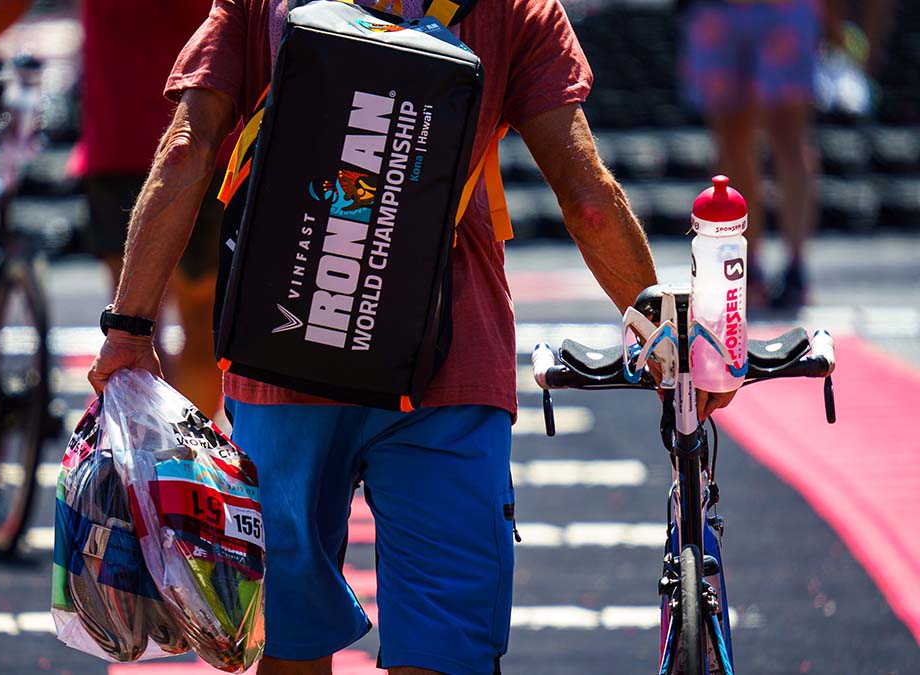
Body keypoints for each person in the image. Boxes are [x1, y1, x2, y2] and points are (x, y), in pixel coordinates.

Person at [87, 1, 738, 674]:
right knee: (442, 648)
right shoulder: (515, 10)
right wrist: (664, 334)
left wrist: (131, 327)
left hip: (283, 357)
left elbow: (187, 150)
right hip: (449, 364)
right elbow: (589, 201)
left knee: (289, 643)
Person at [0, 0, 225, 414]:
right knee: (200, 318)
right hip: (206, 130)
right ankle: (179, 458)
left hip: (124, 134)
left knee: (133, 319)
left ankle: (155, 461)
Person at [679, 0, 825, 309]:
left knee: (789, 135)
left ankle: (796, 266)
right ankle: (747, 268)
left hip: (783, 8)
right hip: (720, 10)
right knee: (732, 139)